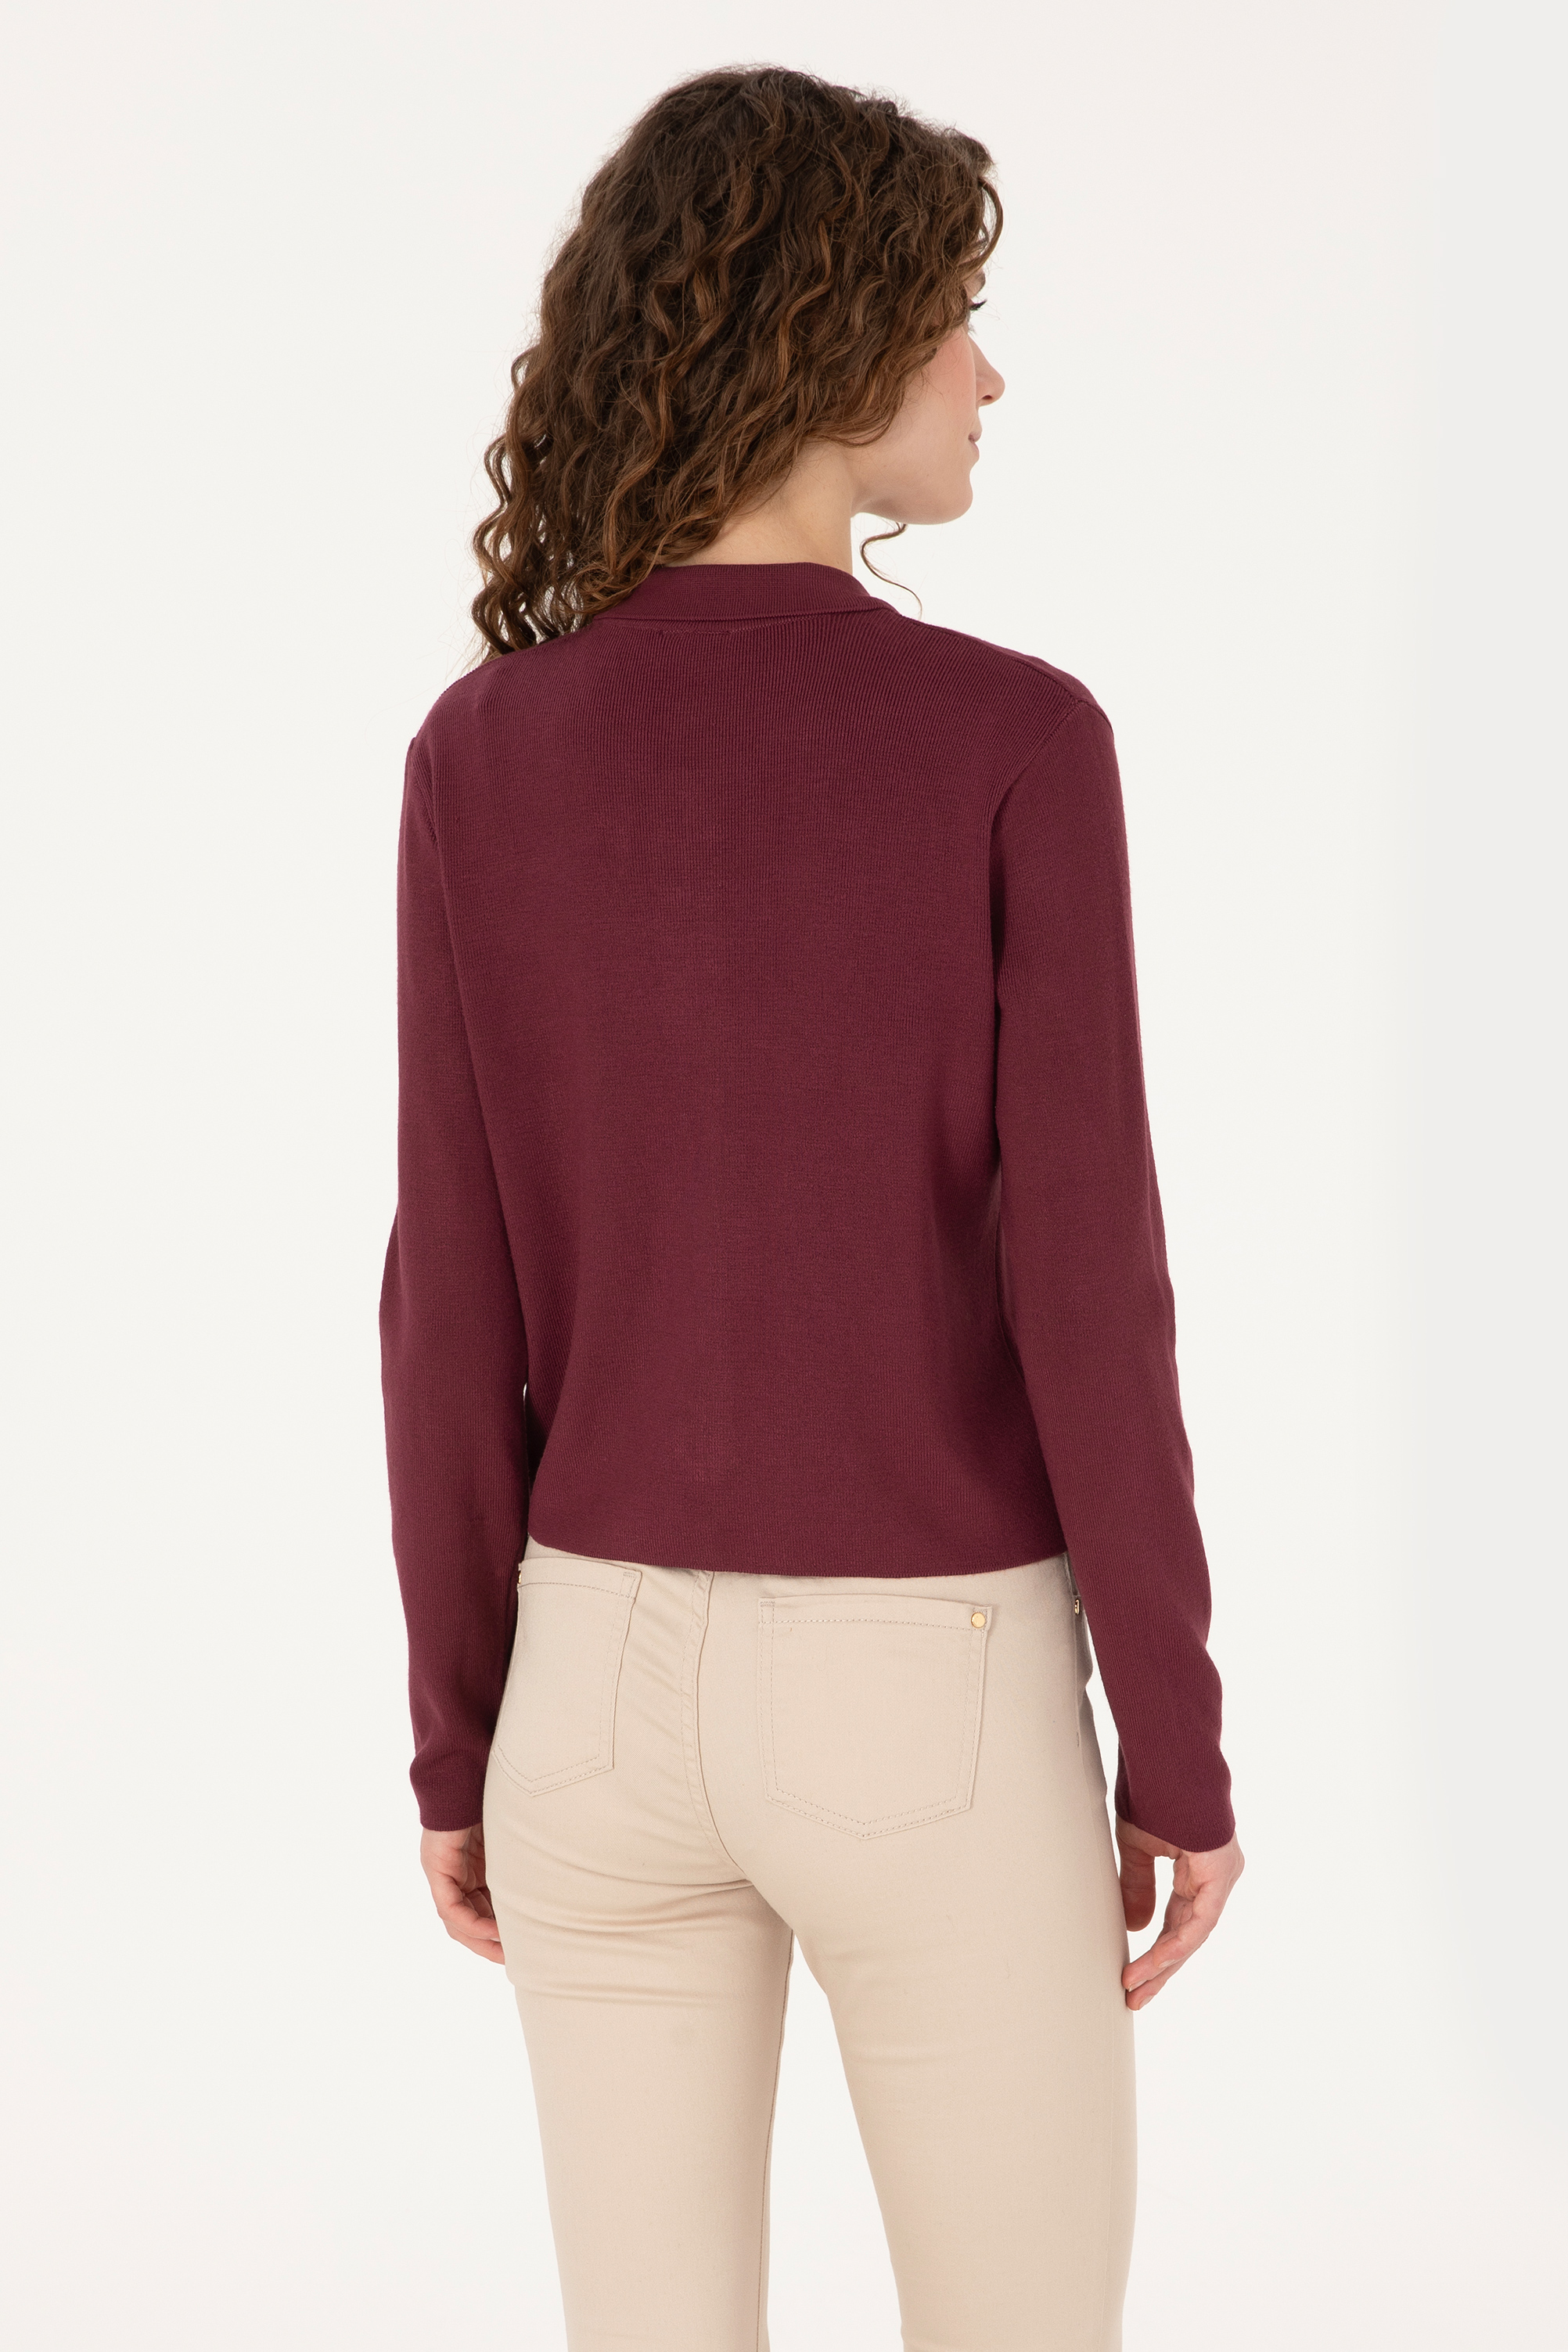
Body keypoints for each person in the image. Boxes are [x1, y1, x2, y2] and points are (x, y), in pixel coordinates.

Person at [379, 63, 1243, 2352]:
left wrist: (460, 1731)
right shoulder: (1011, 740)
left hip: (587, 1693)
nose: (986, 375)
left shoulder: (483, 750)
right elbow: (1087, 1283)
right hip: (926, 1692)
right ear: (829, 333)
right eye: (954, 315)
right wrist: (1172, 1744)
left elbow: (449, 1298)